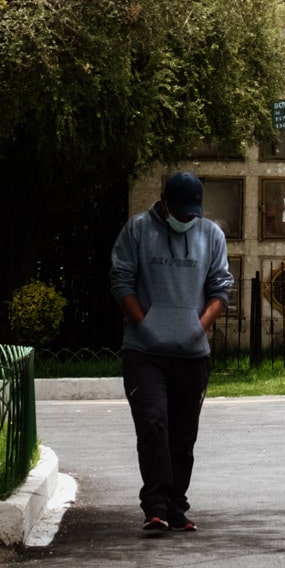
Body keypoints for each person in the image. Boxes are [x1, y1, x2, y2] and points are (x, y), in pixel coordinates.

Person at [109, 169, 234, 534]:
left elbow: (220, 287)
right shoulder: (137, 230)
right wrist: (144, 324)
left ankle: (176, 505)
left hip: (192, 354)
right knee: (153, 423)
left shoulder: (211, 234)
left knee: (183, 434)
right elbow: (120, 280)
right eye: (179, 213)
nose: (185, 220)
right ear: (164, 204)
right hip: (144, 352)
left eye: (191, 214)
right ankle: (155, 505)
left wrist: (200, 326)